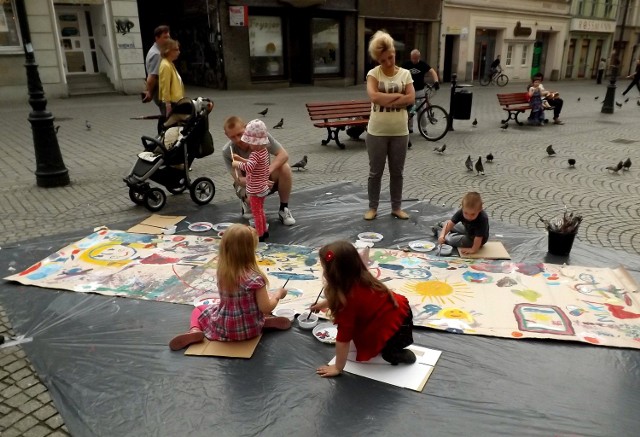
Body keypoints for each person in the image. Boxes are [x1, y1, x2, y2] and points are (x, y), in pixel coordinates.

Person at [169, 224, 291, 351]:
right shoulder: (255, 278)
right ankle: (264, 323)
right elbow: (266, 307)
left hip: (226, 329)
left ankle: (194, 330)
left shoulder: (223, 272)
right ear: (250, 251)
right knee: (259, 310)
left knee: (199, 310)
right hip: (251, 330)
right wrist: (278, 295)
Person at [312, 241, 415, 377]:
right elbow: (341, 297)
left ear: (333, 274)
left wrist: (338, 367)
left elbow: (343, 338)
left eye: (324, 267)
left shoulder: (348, 302)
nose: (323, 272)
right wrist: (323, 304)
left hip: (399, 324)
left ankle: (397, 353)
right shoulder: (358, 276)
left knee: (383, 351)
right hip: (398, 309)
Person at [364, 30, 415, 221]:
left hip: (400, 132)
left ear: (394, 52)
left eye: (390, 57)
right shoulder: (373, 74)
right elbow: (374, 96)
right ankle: (372, 208)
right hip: (377, 132)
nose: (388, 63)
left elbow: (410, 98)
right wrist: (398, 99)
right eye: (383, 60)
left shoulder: (406, 74)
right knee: (375, 172)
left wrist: (387, 100)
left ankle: (396, 207)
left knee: (397, 172)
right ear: (378, 59)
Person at [222, 116, 296, 226]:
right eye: (233, 137)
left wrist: (267, 171)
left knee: (285, 167)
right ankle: (247, 203)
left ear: (246, 128)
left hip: (263, 176)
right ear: (227, 136)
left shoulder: (260, 135)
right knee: (251, 198)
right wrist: (260, 180)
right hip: (247, 184)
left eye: (240, 134)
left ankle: (283, 208)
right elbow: (239, 179)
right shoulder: (228, 150)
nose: (238, 140)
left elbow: (284, 154)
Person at [231, 120, 271, 242]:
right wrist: (241, 158)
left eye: (251, 143)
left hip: (255, 189)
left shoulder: (255, 154)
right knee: (260, 211)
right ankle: (264, 231)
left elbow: (249, 167)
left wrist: (237, 164)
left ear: (257, 143)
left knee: (256, 213)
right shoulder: (263, 152)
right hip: (263, 187)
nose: (250, 145)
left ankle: (259, 235)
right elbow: (253, 163)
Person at [433, 192, 489, 256]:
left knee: (451, 240)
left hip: (473, 240)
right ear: (462, 208)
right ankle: (442, 228)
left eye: (473, 214)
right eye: (466, 213)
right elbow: (450, 224)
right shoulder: (461, 212)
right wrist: (442, 236)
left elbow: (478, 238)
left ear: (480, 209)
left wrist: (473, 250)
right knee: (448, 224)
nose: (468, 217)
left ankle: (440, 231)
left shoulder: (482, 219)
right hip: (467, 229)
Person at [401, 49, 439, 135]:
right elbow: (398, 73)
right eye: (412, 58)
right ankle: (409, 128)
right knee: (411, 109)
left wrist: (436, 81)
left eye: (415, 58)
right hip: (409, 91)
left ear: (419, 57)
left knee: (421, 110)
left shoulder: (422, 64)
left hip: (420, 91)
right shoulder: (406, 64)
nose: (414, 60)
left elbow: (432, 71)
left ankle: (423, 128)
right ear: (410, 57)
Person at [143, 25, 170, 134]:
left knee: (167, 118)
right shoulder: (157, 54)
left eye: (168, 36)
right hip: (161, 93)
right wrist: (149, 92)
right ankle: (164, 138)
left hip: (163, 93)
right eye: (165, 37)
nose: (168, 39)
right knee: (168, 119)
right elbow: (152, 77)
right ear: (157, 38)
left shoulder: (159, 51)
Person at [158, 39, 184, 119]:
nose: (179, 52)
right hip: (172, 102)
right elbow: (165, 86)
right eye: (176, 49)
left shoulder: (170, 64)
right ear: (168, 51)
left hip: (176, 101)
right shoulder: (166, 65)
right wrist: (168, 104)